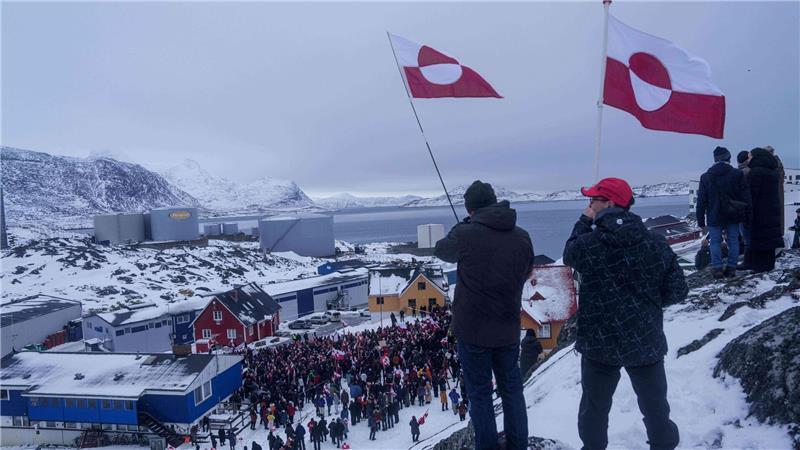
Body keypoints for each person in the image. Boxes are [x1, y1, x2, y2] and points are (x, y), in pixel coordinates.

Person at [563, 177, 688, 450]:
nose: (589, 204)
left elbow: (569, 254)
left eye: (593, 200)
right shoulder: (656, 243)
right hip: (645, 337)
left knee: (594, 409)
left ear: (608, 203)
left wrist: (584, 222)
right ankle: (663, 444)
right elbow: (678, 290)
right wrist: (647, 306)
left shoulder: (589, 244)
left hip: (599, 341)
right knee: (654, 405)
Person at [435, 180, 534, 450]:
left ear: (470, 208)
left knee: (480, 395)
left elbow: (441, 249)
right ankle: (518, 444)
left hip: (473, 330)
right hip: (508, 327)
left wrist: (462, 225)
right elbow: (527, 270)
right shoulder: (522, 236)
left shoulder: (466, 234)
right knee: (512, 389)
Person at [696, 146, 751, 278]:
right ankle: (731, 267)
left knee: (715, 242)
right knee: (733, 241)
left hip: (714, 215)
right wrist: (747, 214)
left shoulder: (705, 177)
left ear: (715, 159)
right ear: (729, 158)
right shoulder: (737, 174)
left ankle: (717, 268)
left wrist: (700, 220)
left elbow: (701, 200)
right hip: (733, 214)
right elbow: (745, 196)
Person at [747, 147, 785, 272]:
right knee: (769, 238)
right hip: (772, 208)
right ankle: (769, 264)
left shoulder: (756, 172)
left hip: (760, 210)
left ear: (756, 157)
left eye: (750, 156)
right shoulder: (773, 170)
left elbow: (752, 193)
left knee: (760, 237)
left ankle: (759, 266)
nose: (748, 159)